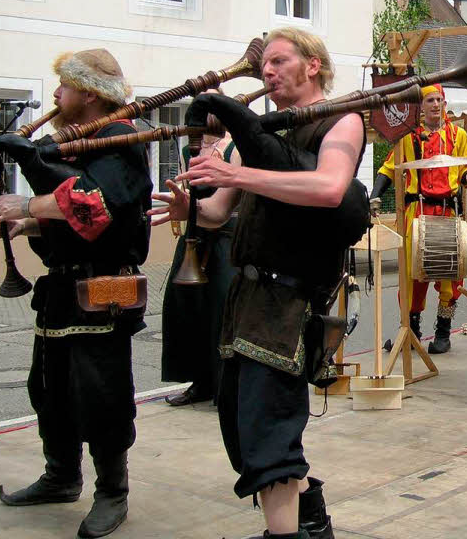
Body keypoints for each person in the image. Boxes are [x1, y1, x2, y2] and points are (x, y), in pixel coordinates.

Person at [150, 29, 363, 539]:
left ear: (313, 65)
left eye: (278, 61)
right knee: (240, 422)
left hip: (289, 299)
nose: (266, 72)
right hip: (243, 296)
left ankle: (285, 534)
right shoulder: (262, 133)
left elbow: (330, 188)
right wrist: (190, 210)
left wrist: (238, 176)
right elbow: (220, 211)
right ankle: (309, 516)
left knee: (270, 428)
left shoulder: (342, 120)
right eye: (263, 65)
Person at [0, 49, 151, 539]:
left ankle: (112, 492)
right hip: (61, 285)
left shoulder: (122, 138)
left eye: (63, 85)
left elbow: (95, 206)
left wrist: (30, 192)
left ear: (88, 92)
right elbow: (75, 209)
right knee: (51, 387)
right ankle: (61, 476)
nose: (55, 94)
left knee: (99, 392)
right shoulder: (84, 140)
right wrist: (29, 222)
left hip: (103, 286)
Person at [370, 85, 467, 355]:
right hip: (415, 213)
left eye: (439, 100)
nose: (435, 104)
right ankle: (410, 330)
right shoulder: (407, 138)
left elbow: (466, 171)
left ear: (444, 103)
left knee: (449, 277)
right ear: (420, 107)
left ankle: (443, 332)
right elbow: (388, 169)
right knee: (411, 276)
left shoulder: (458, 135)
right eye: (429, 100)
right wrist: (374, 197)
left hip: (447, 212)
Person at [161, 128, 238, 407]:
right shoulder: (188, 150)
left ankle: (224, 384)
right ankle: (200, 382)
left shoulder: (234, 147)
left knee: (222, 309)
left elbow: (226, 204)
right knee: (187, 308)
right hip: (195, 237)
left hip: (226, 239)